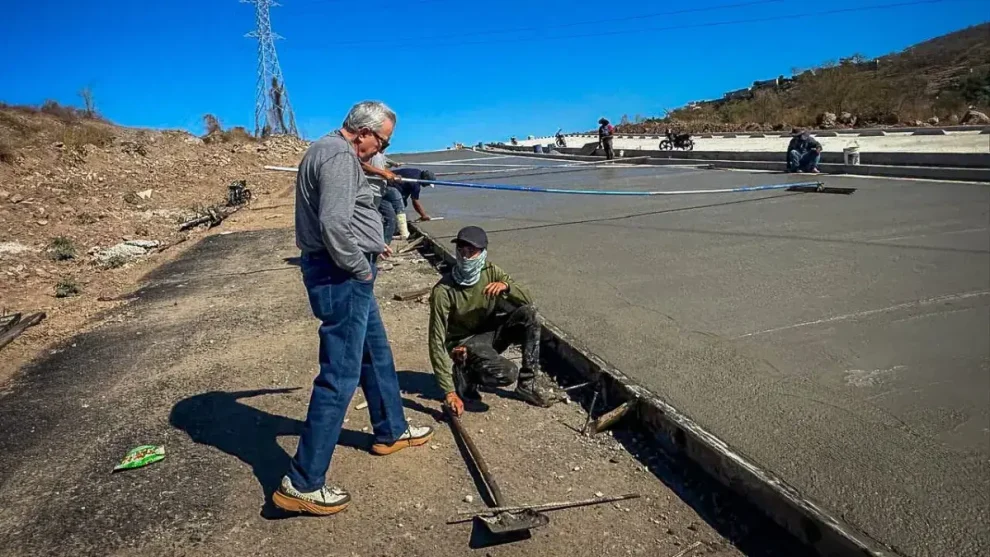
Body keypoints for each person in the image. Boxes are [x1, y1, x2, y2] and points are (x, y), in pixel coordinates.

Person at [277, 100, 434, 517]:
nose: (379, 149)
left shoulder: (335, 152)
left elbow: (347, 203)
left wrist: (379, 176)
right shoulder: (337, 155)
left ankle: (391, 429)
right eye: (381, 141)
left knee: (374, 354)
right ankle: (303, 482)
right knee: (340, 376)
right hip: (340, 275)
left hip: (347, 272)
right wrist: (359, 267)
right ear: (363, 132)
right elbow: (333, 223)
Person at [429, 226, 559, 417]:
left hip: (489, 334)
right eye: (461, 251)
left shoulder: (491, 271)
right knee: (506, 373)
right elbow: (435, 341)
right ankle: (464, 372)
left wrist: (506, 287)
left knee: (529, 313)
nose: (465, 257)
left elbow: (527, 299)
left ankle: (527, 385)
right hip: (464, 343)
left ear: (482, 253)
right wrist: (449, 391)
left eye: (471, 252)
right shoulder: (443, 291)